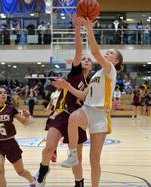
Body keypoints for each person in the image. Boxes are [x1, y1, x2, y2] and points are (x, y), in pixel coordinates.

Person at [53, 17, 123, 187]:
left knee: (94, 159)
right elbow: (83, 95)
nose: (108, 53)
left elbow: (95, 52)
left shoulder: (110, 70)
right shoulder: (96, 75)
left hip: (100, 115)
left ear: (116, 61)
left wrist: (89, 28)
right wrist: (66, 85)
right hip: (88, 109)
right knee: (73, 118)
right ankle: (73, 155)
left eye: (111, 53)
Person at [34, 16, 92, 187]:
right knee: (48, 149)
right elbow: (79, 51)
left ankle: (79, 183)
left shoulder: (92, 82)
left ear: (91, 66)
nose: (86, 60)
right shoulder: (76, 73)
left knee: (77, 158)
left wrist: (66, 86)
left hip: (77, 118)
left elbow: (82, 97)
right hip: (61, 114)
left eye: (89, 60)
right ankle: (43, 171)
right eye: (84, 59)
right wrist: (77, 29)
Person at [0, 87, 35, 187]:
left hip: (10, 143)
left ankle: (32, 181)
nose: (3, 94)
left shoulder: (10, 109)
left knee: (21, 171)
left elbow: (25, 122)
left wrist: (27, 116)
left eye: (5, 93)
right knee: (0, 169)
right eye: (0, 93)